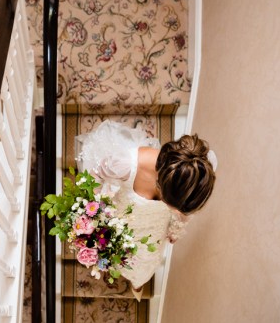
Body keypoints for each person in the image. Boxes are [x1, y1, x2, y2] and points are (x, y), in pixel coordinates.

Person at [75, 120, 217, 295]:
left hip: (156, 226)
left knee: (147, 260)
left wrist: (176, 228)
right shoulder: (126, 164)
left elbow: (185, 212)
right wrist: (96, 210)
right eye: (170, 204)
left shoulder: (197, 175)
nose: (173, 210)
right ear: (161, 182)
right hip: (124, 218)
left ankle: (138, 282)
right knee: (123, 255)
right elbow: (94, 176)